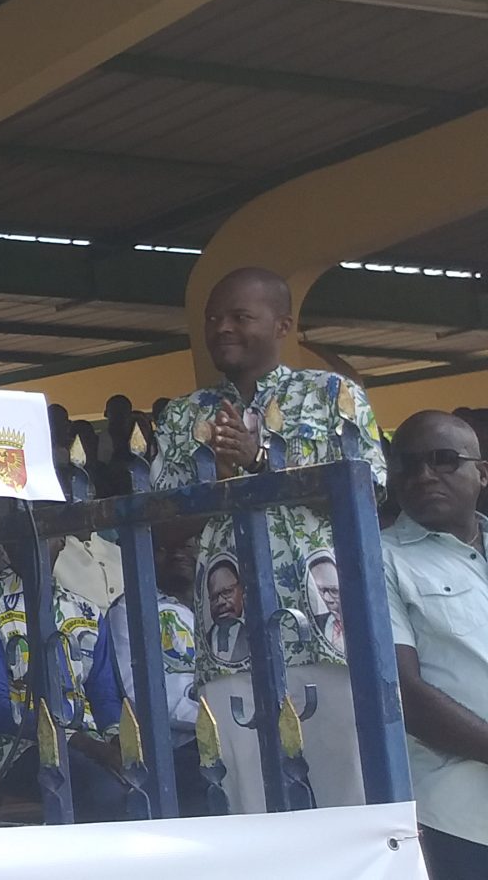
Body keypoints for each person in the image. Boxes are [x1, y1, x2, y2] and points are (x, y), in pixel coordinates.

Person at [144, 267, 381, 812]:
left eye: (240, 316)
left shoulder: (332, 395)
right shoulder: (183, 415)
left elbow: (369, 493)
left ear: (283, 325)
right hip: (230, 639)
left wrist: (259, 463)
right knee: (250, 802)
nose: (222, 328)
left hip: (328, 633)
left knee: (350, 795)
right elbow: (159, 524)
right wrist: (218, 482)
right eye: (213, 318)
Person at [383, 411, 488, 879]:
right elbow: (403, 692)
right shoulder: (376, 557)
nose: (424, 475)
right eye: (408, 464)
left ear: (481, 473)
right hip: (457, 819)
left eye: (443, 459)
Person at [0, 539, 123, 820]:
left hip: (93, 745)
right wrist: (80, 742)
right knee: (105, 792)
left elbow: (104, 695)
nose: (31, 541)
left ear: (61, 543)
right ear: (6, 546)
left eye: (45, 535)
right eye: (18, 534)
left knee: (155, 777)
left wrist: (118, 740)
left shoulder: (86, 611)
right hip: (20, 749)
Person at [98, 520, 205, 811]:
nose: (177, 554)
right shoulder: (131, 610)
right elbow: (144, 696)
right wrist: (216, 719)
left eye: (185, 545)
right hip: (174, 749)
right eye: (162, 548)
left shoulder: (213, 604)